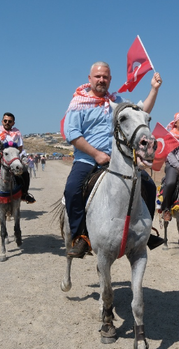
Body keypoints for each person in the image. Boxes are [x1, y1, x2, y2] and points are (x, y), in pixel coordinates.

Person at [63, 61, 163, 258]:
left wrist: (154, 89)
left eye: (105, 77)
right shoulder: (77, 103)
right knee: (72, 189)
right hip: (87, 159)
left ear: (110, 80)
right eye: (98, 76)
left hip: (117, 159)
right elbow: (72, 134)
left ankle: (146, 233)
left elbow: (141, 113)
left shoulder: (117, 101)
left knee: (149, 186)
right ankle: (80, 236)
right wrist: (96, 154)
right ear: (90, 79)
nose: (102, 80)